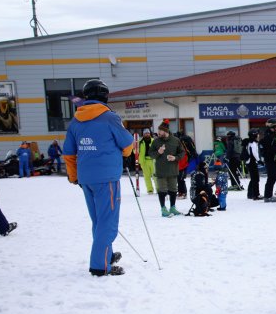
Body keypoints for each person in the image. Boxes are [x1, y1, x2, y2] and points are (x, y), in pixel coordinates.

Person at [63, 79, 134, 276]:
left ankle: (106, 255)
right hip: (107, 177)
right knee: (108, 222)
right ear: (105, 95)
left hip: (86, 178)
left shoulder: (76, 120)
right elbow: (128, 147)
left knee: (98, 221)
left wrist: (74, 176)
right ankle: (100, 266)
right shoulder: (110, 118)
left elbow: (68, 153)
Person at [149, 121, 185, 217]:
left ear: (165, 131)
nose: (158, 132)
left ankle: (172, 207)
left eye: (160, 130)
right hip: (161, 171)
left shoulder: (176, 140)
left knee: (173, 189)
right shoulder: (156, 141)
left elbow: (182, 153)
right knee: (162, 190)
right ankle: (163, 209)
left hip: (173, 170)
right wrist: (158, 152)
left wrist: (175, 158)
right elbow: (151, 154)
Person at [262, 121, 276, 202]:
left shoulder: (273, 135)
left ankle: (268, 195)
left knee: (272, 178)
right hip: (270, 160)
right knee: (271, 178)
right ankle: (267, 196)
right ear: (272, 127)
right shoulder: (269, 136)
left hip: (273, 160)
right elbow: (270, 149)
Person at [246, 130, 261, 199]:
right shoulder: (253, 144)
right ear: (254, 135)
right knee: (255, 179)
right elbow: (254, 153)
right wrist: (259, 160)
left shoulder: (249, 143)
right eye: (257, 134)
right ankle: (256, 194)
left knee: (253, 179)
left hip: (249, 162)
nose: (258, 136)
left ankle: (250, 194)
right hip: (252, 162)